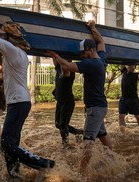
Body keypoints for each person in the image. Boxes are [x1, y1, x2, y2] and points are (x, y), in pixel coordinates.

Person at [0, 0, 55, 178]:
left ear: (10, 39)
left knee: (6, 143)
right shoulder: (18, 53)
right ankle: (14, 174)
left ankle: (44, 164)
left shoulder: (12, 51)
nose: (1, 38)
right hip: (20, 102)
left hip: (19, 102)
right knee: (11, 142)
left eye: (4, 35)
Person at [47, 20, 112, 170]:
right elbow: (101, 41)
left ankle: (82, 173)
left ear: (90, 50)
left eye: (83, 52)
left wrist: (55, 55)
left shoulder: (91, 64)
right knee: (102, 134)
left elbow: (68, 66)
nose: (82, 55)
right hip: (99, 107)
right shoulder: (102, 60)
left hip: (95, 108)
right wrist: (93, 28)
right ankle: (114, 159)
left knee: (88, 141)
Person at [53, 58, 83, 145]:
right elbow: (56, 62)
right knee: (58, 124)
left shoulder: (68, 71)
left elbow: (65, 67)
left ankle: (65, 145)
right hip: (60, 101)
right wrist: (53, 54)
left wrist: (56, 56)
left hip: (67, 102)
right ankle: (78, 132)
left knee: (62, 125)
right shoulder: (59, 69)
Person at [118, 64, 139, 133]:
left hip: (133, 99)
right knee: (121, 116)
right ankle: (123, 133)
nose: (130, 66)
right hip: (123, 99)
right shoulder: (124, 72)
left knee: (137, 116)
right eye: (129, 65)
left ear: (135, 67)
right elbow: (122, 63)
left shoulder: (136, 75)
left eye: (132, 65)